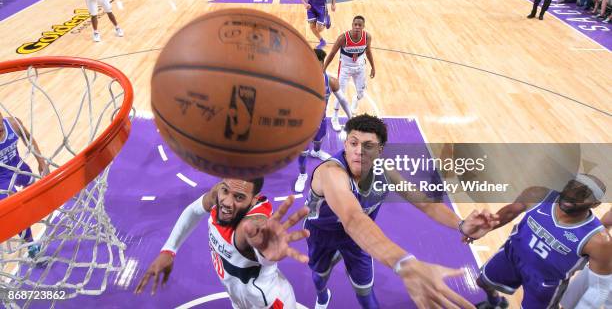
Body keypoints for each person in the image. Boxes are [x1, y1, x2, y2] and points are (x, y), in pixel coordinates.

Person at [304, 114, 499, 309]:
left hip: (360, 239)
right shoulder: (331, 172)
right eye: (354, 143)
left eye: (368, 146)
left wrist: (461, 224)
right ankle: (322, 298)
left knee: (365, 293)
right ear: (345, 144)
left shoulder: (385, 172)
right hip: (323, 235)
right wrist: (403, 263)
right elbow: (353, 218)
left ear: (379, 151)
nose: (359, 151)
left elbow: (425, 203)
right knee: (320, 277)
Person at [135, 179, 310, 309]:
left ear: (254, 199)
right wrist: (169, 250)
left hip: (271, 305)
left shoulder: (250, 225)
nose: (226, 202)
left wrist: (266, 249)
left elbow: (255, 234)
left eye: (239, 197)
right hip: (240, 300)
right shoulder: (221, 192)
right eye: (225, 191)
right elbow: (194, 210)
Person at [475, 173, 611, 309]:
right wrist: (478, 230)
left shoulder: (599, 241)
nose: (572, 195)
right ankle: (495, 302)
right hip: (512, 255)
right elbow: (510, 212)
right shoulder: (538, 195)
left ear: (595, 204)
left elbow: (599, 286)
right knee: (482, 282)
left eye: (583, 194)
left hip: (545, 282)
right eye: (571, 186)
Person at [294, 48, 352, 193]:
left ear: (323, 64)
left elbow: (343, 100)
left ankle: (317, 152)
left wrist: (351, 118)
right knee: (302, 153)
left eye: (319, 63)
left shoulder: (331, 82)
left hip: (321, 120)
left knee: (319, 141)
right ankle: (302, 175)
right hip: (304, 124)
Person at [0, 110, 49, 258]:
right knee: (15, 210)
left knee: (37, 196)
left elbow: (28, 139)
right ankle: (31, 244)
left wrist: (41, 161)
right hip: (1, 178)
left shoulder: (14, 124)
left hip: (19, 167)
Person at [323, 16, 375, 131]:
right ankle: (334, 118)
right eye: (355, 24)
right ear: (352, 25)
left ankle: (354, 104)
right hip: (345, 68)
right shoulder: (343, 38)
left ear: (363, 26)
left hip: (360, 68)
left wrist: (373, 67)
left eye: (359, 25)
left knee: (361, 93)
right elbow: (332, 53)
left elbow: (369, 51)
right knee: (339, 93)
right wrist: (324, 68)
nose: (357, 27)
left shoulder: (367, 37)